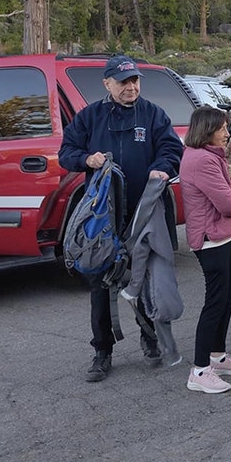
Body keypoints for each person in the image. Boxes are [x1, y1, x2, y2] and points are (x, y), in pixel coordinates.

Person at [59, 55, 184, 382]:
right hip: (103, 216)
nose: (131, 87)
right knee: (101, 283)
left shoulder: (153, 114)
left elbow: (172, 150)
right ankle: (102, 351)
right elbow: (65, 154)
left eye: (135, 81)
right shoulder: (90, 117)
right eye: (123, 82)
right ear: (107, 84)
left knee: (144, 278)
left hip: (144, 211)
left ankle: (151, 340)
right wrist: (87, 159)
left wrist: (163, 167)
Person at [180, 105, 231, 394]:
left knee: (228, 295)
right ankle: (199, 370)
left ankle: (217, 356)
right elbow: (226, 202)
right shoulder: (201, 160)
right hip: (210, 238)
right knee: (216, 301)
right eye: (222, 128)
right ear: (207, 131)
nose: (227, 133)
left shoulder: (211, 156)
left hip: (223, 235)